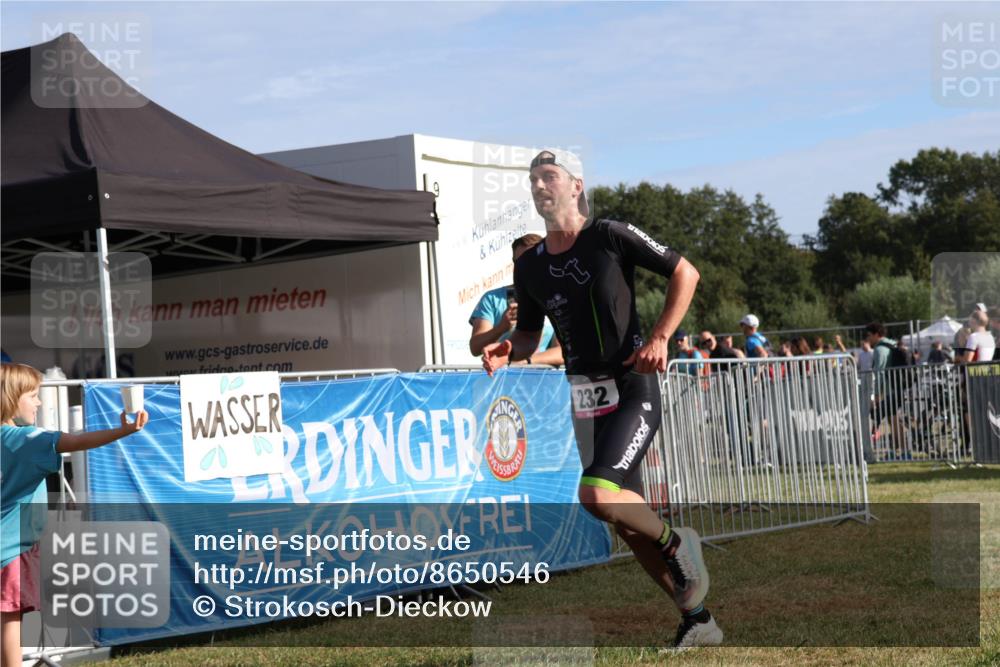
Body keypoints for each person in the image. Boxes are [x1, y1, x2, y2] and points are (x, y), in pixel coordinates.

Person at [481, 149, 720, 648]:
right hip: (584, 396)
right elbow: (528, 339)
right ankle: (699, 621)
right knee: (625, 523)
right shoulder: (530, 266)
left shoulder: (610, 235)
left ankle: (679, 544)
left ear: (575, 185)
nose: (540, 185)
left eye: (550, 176)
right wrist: (507, 349)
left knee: (595, 496)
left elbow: (686, 273)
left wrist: (659, 338)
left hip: (632, 383)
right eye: (533, 180)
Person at [1, 363, 149, 667]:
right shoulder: (28, 441)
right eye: (33, 396)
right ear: (11, 398)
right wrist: (124, 429)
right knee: (9, 623)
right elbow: (76, 441)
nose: (39, 402)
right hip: (11, 551)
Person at [469, 234, 564, 367]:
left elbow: (563, 351)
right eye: (520, 262)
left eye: (532, 261)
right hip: (503, 383)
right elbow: (475, 348)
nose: (526, 267)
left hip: (545, 383)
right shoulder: (492, 299)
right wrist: (502, 327)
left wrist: (525, 361)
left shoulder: (559, 297)